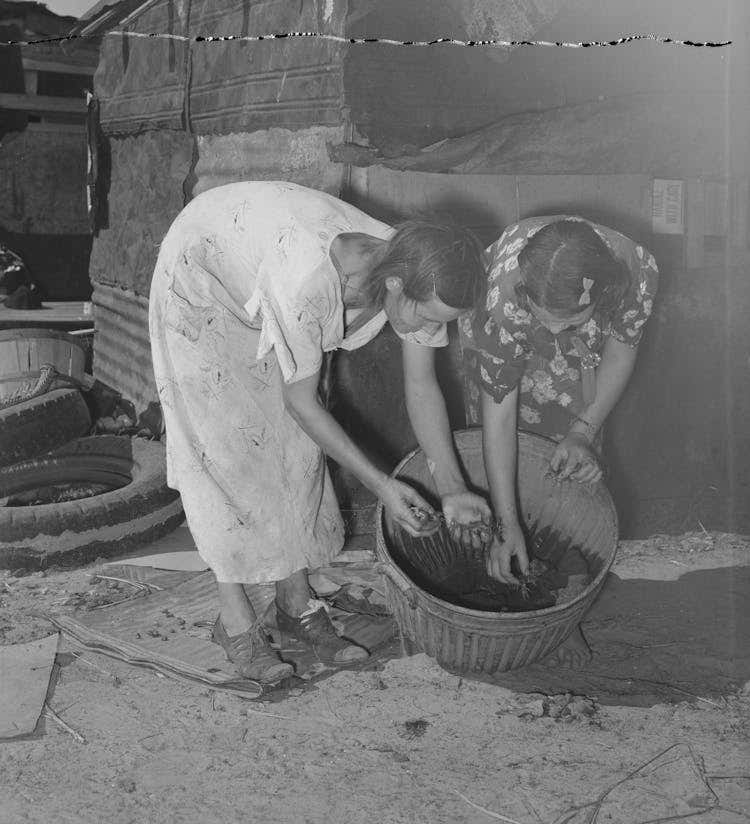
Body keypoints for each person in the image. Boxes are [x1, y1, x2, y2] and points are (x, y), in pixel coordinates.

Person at [149, 180, 492, 685]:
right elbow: (301, 403)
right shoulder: (310, 278)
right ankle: (235, 618)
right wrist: (382, 486)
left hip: (260, 275)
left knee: (298, 450)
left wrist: (454, 487)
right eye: (425, 315)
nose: (425, 327)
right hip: (199, 281)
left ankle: (294, 602)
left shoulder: (420, 270)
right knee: (226, 450)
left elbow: (422, 386)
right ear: (396, 285)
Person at [460, 215, 659, 665]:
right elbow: (500, 410)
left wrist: (583, 429)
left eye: (565, 320)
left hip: (585, 350)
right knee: (504, 467)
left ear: (600, 295)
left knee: (573, 460)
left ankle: (559, 607)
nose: (551, 332)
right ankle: (505, 569)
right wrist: (506, 521)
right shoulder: (504, 298)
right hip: (505, 331)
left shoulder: (636, 272)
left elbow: (621, 350)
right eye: (545, 319)